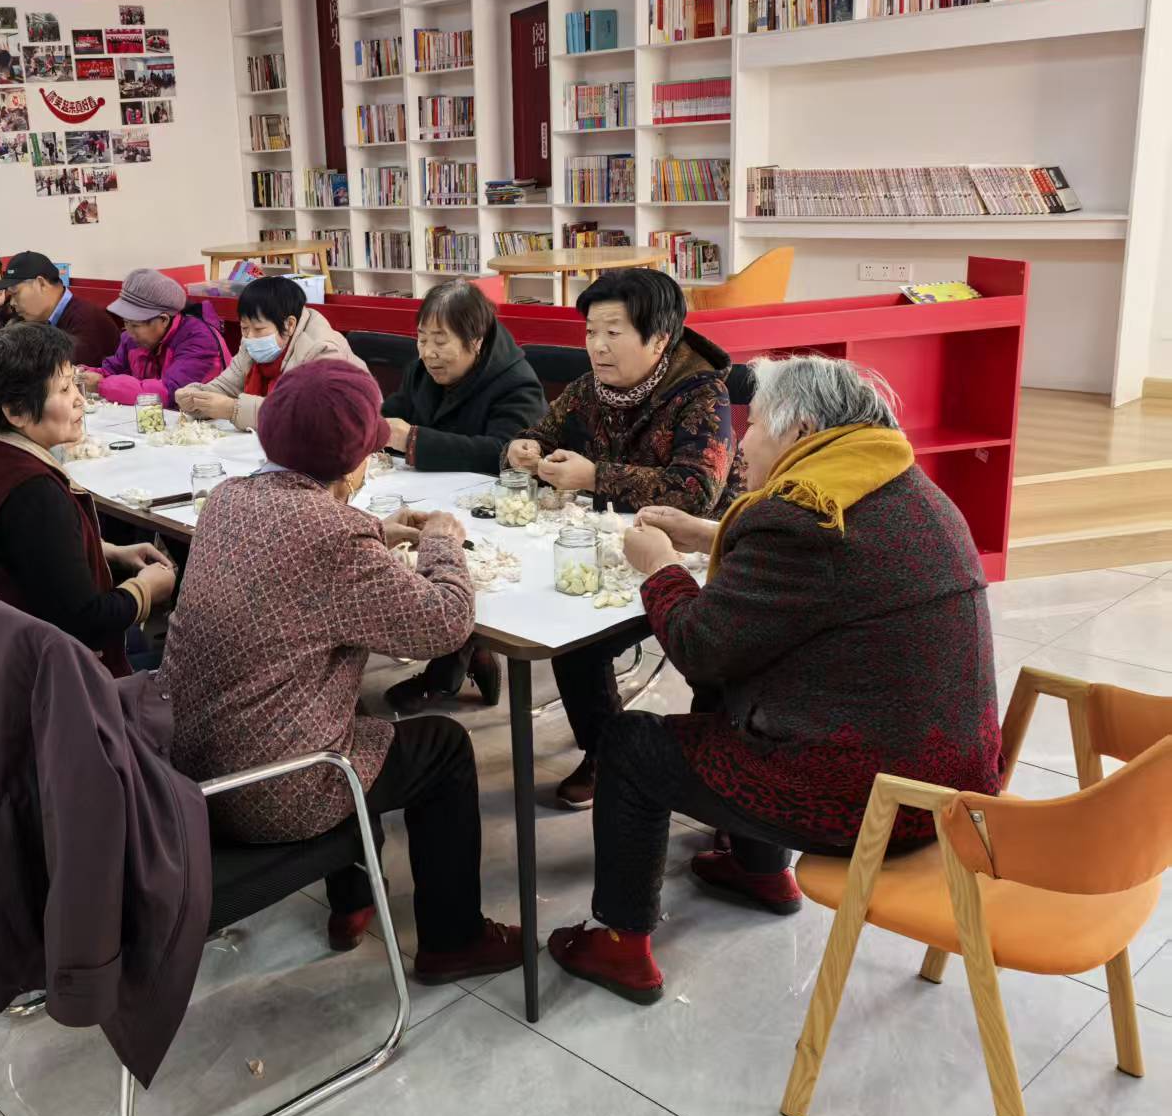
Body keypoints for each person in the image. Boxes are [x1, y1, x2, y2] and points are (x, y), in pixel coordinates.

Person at [547, 354, 1004, 1002]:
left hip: (873, 808)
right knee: (733, 685)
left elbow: (699, 646)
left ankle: (621, 944)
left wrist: (660, 567)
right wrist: (708, 533)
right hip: (950, 791)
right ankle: (758, 868)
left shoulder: (801, 519)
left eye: (755, 425)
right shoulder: (899, 485)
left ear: (802, 431)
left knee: (630, 743)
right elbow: (814, 574)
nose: (742, 443)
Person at [160, 359, 523, 982]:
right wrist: (441, 542)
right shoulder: (335, 537)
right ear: (354, 465)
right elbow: (445, 624)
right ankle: (453, 940)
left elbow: (299, 553)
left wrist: (376, 532)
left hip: (182, 773)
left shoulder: (226, 500)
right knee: (441, 747)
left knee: (345, 712)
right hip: (267, 793)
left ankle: (353, 900)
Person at [505, 268, 745, 809]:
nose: (597, 346)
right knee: (574, 641)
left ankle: (721, 783)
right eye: (591, 332)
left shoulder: (703, 394)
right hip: (611, 551)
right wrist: (522, 449)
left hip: (696, 558)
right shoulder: (588, 389)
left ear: (659, 339)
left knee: (715, 662)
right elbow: (537, 433)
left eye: (613, 332)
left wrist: (596, 477)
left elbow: (694, 493)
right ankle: (606, 753)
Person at [0, 323, 176, 675]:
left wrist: (108, 551)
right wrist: (146, 590)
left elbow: (28, 550)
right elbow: (86, 622)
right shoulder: (32, 490)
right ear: (16, 411)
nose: (80, 400)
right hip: (29, 680)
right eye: (65, 389)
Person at [378, 280, 549, 714]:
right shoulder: (423, 369)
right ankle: (472, 654)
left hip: (494, 515)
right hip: (433, 499)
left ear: (476, 341)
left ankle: (449, 670)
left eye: (441, 341)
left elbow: (504, 455)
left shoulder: (516, 383)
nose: (428, 353)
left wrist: (414, 440)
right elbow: (393, 412)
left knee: (450, 559)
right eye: (421, 339)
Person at [173, 276, 363, 429]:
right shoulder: (250, 344)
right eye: (244, 328)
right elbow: (226, 386)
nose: (250, 337)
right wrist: (195, 396)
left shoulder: (321, 350)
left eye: (259, 329)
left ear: (289, 325)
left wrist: (232, 409)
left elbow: (308, 416)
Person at [81, 268, 228, 408]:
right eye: (126, 322)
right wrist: (84, 374)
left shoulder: (199, 341)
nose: (129, 332)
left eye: (135, 325)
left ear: (163, 320)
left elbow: (168, 395)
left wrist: (101, 385)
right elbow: (112, 369)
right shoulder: (133, 339)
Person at [0, 250, 120, 364]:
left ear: (41, 284)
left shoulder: (87, 321)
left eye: (15, 293)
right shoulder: (32, 318)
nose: (12, 303)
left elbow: (58, 373)